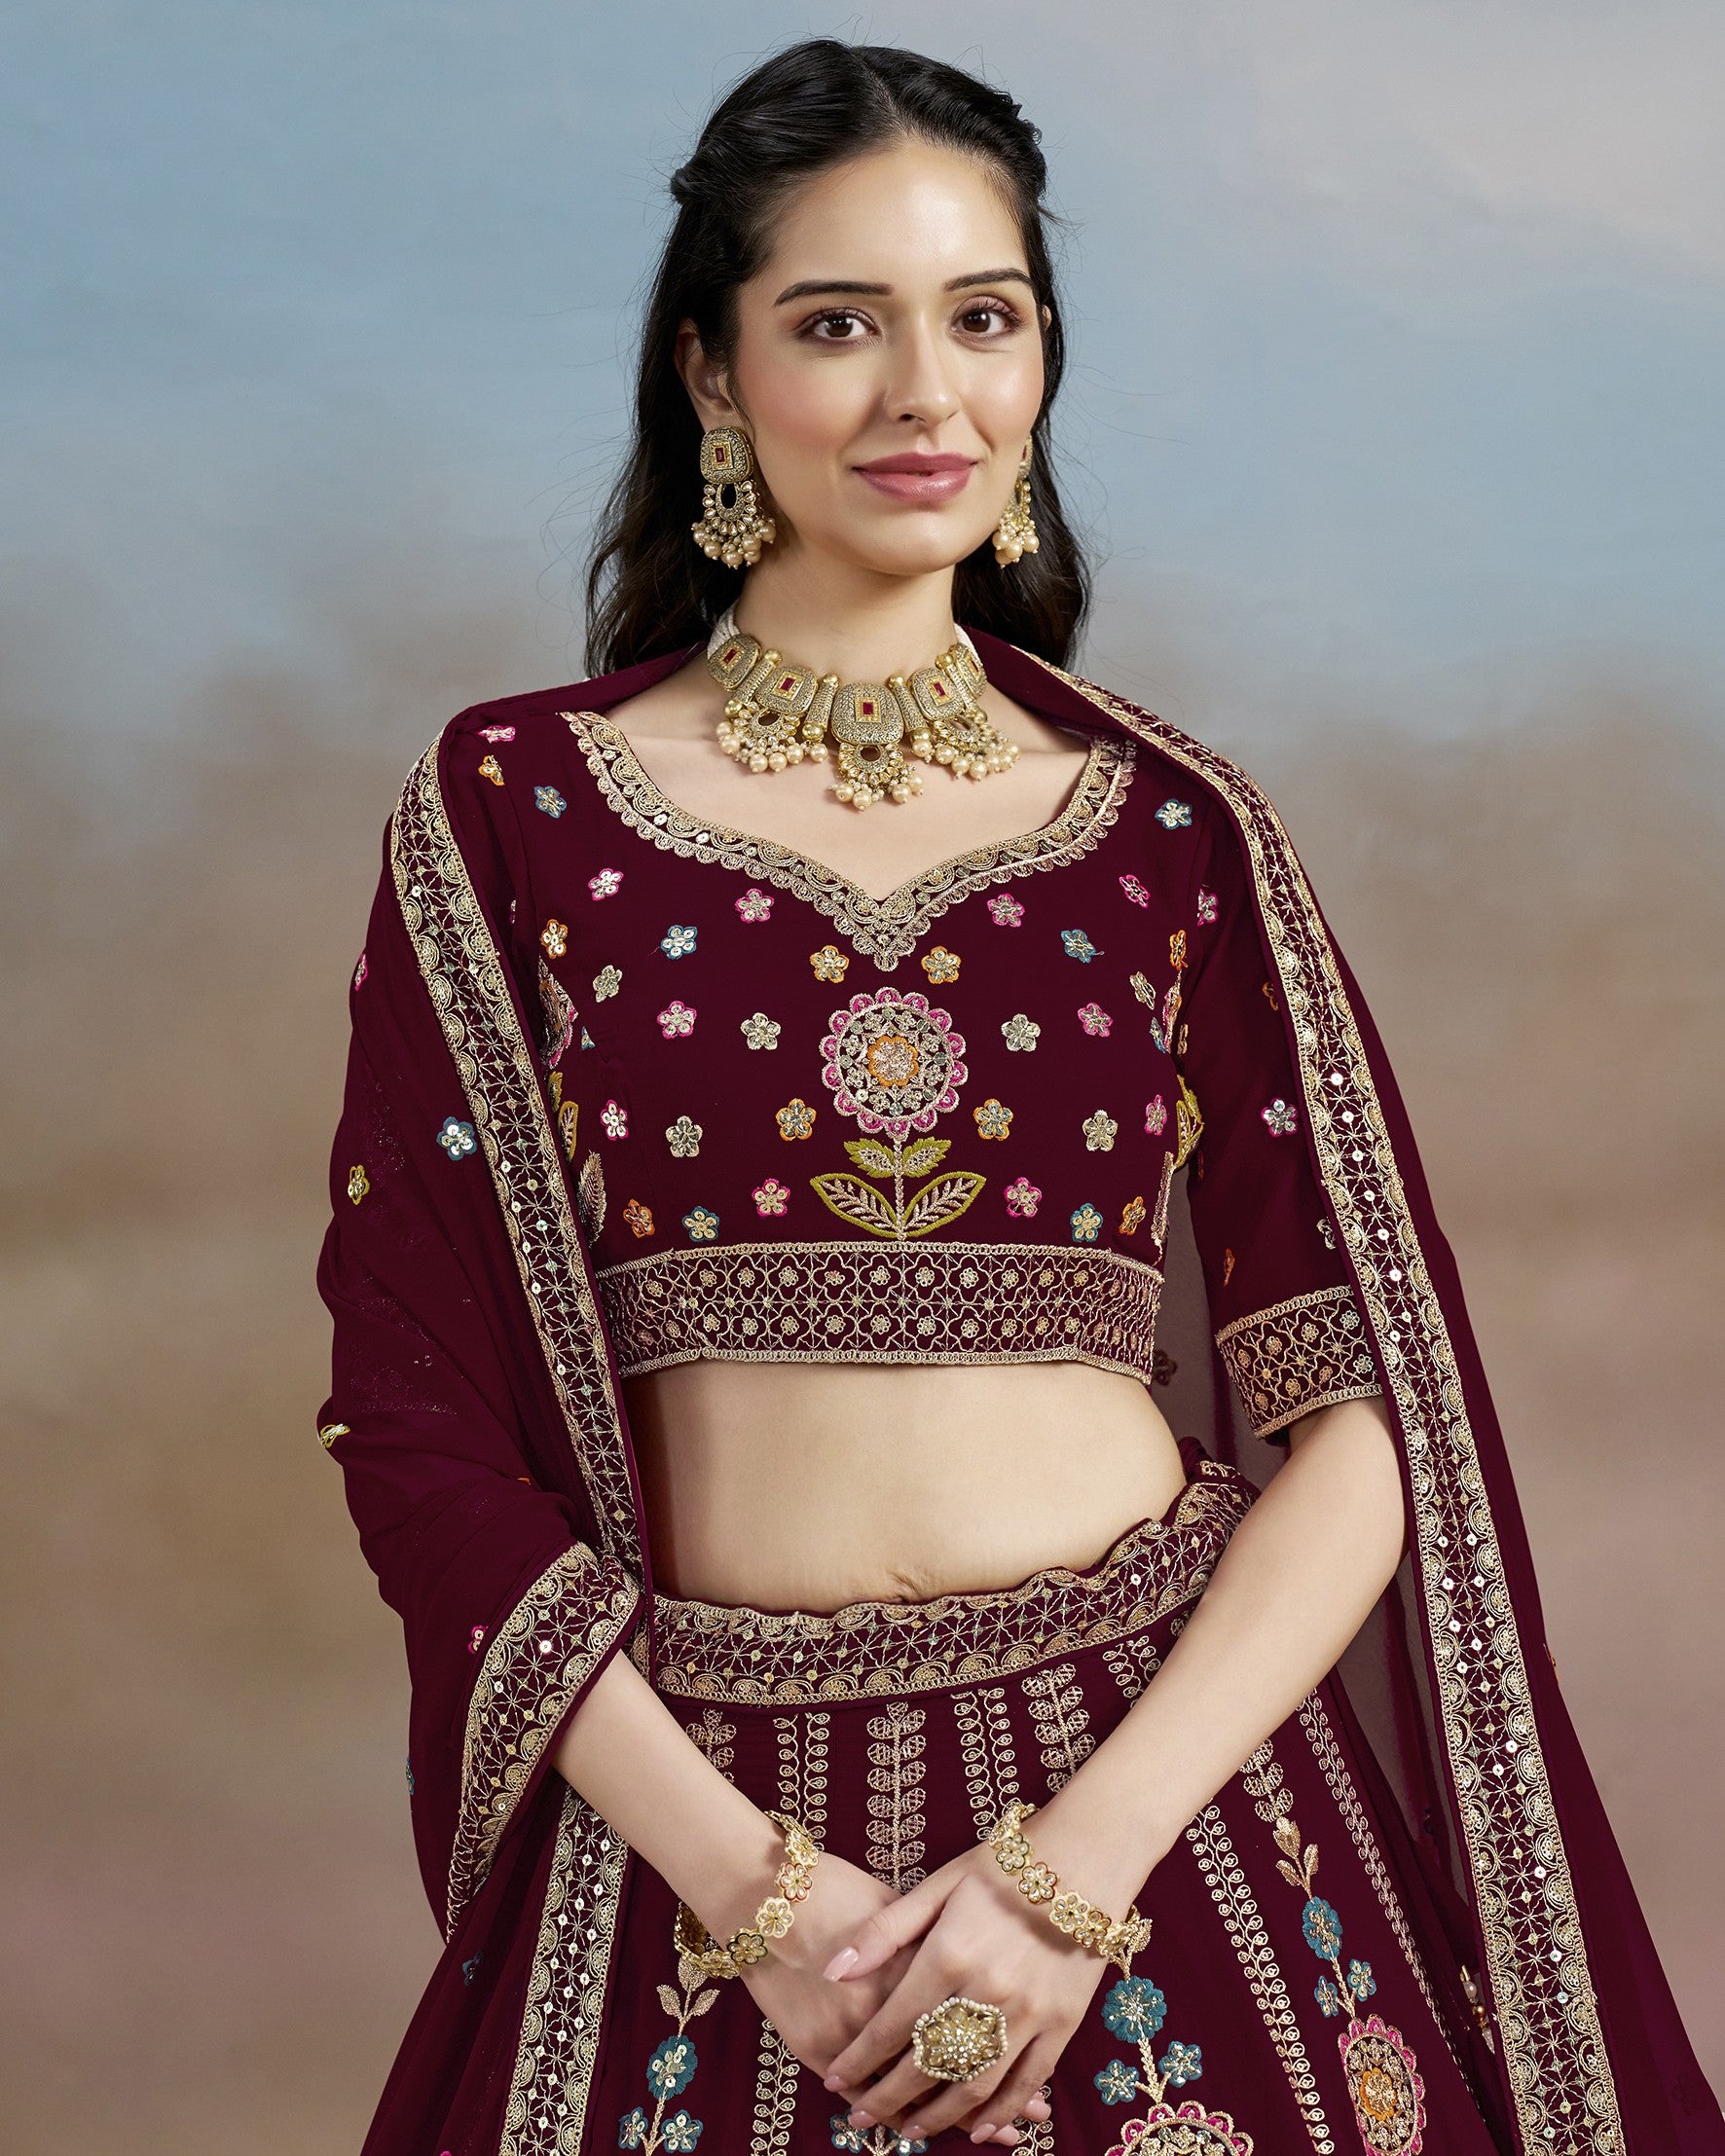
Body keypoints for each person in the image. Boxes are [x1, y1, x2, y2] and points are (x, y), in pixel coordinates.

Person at [315, 40, 1721, 2156]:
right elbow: (416, 1432)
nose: (923, 394)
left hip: (1160, 1821)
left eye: (982, 318)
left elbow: (1356, 1408)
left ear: (1043, 359)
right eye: (833, 324)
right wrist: (755, 1894)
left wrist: (1075, 1874)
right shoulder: (514, 810)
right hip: (701, 1850)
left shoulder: (1169, 828)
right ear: (709, 374)